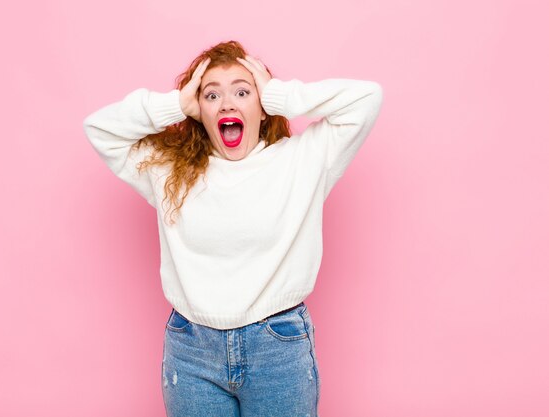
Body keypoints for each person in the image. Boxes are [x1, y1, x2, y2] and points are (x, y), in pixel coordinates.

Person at [83, 40, 383, 417]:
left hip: (278, 345)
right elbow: (99, 129)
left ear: (262, 108)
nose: (227, 103)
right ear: (199, 111)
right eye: (211, 95)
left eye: (243, 91)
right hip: (192, 350)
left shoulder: (303, 160)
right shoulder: (170, 171)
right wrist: (176, 104)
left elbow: (367, 98)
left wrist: (280, 94)